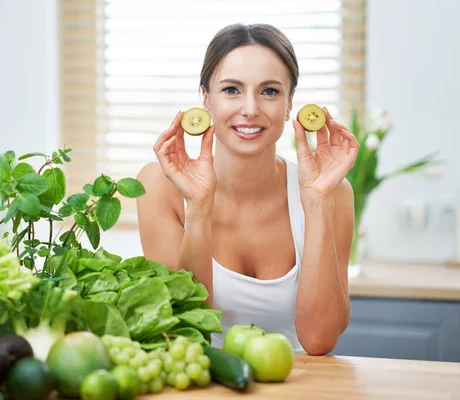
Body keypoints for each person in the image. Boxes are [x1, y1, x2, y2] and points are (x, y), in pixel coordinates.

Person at [135, 23, 359, 356]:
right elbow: (184, 330)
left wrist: (317, 202)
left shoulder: (332, 192)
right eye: (231, 90)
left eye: (269, 91)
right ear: (206, 99)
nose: (251, 108)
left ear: (289, 103)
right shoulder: (159, 185)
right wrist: (198, 206)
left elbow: (319, 339)